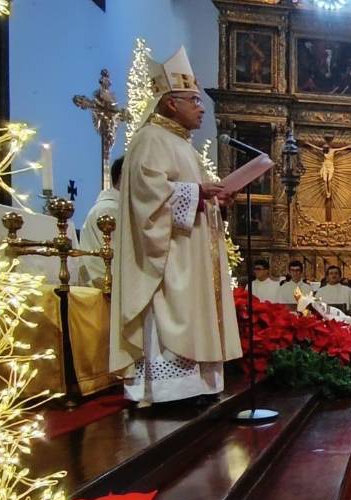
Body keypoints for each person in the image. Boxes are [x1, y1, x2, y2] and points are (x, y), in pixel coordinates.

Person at [110, 47, 242, 405]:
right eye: (194, 100)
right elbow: (145, 196)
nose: (201, 108)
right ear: (171, 104)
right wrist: (197, 193)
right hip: (169, 260)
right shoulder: (150, 140)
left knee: (194, 312)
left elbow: (187, 195)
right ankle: (168, 390)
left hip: (192, 252)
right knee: (172, 314)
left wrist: (213, 200)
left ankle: (197, 386)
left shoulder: (180, 144)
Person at [74, 155, 122, 287]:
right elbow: (123, 260)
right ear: (123, 177)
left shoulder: (112, 207)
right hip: (107, 286)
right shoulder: (110, 210)